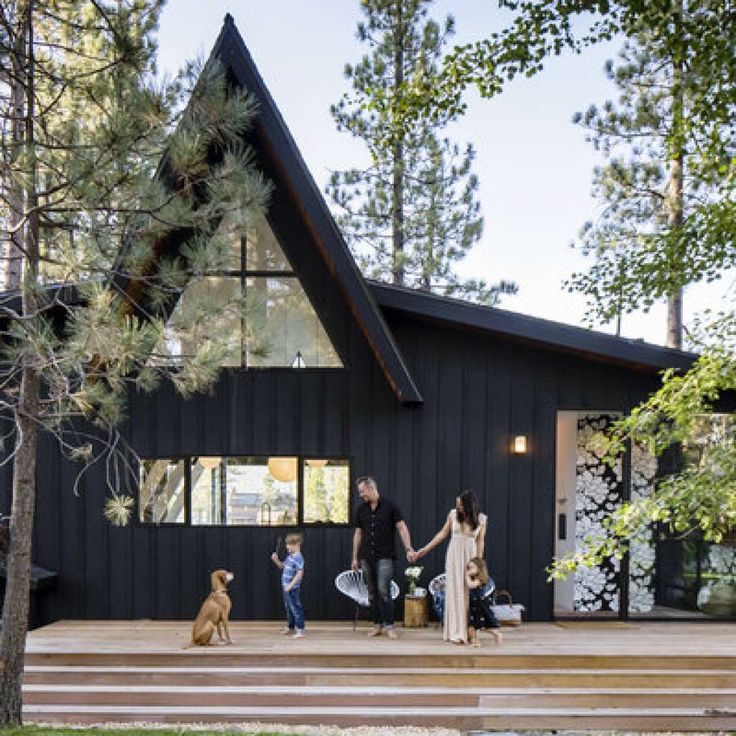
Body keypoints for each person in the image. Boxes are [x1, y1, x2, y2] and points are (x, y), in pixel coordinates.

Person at [412, 489, 487, 644]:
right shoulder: (453, 515)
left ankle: (468, 631)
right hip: (454, 556)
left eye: (460, 504)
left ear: (469, 505)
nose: (458, 507)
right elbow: (442, 534)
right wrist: (424, 549)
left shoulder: (482, 519)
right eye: (457, 504)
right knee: (454, 591)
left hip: (470, 557)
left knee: (468, 592)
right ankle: (455, 630)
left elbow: (480, 541)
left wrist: (479, 563)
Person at [352, 476, 415, 639]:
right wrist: (354, 558)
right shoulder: (361, 510)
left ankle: (390, 626)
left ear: (372, 488)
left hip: (385, 556)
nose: (361, 495)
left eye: (362, 491)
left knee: (383, 591)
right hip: (366, 557)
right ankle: (377, 625)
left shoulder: (390, 506)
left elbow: (402, 528)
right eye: (359, 492)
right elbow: (358, 534)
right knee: (372, 593)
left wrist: (408, 548)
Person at [270, 532, 305, 638]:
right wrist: (275, 560)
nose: (286, 546)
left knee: (295, 608)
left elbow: (300, 574)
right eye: (286, 544)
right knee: (289, 608)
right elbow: (282, 566)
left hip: (292, 588)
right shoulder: (290, 557)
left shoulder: (298, 558)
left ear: (297, 544)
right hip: (286, 588)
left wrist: (290, 585)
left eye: (289, 544)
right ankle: (291, 627)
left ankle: (300, 630)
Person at [466, 557, 502, 647]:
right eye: (469, 568)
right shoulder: (474, 577)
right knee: (474, 625)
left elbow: (471, 585)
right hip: (474, 604)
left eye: (472, 568)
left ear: (479, 568)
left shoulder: (480, 579)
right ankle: (477, 641)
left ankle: (481, 640)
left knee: (478, 625)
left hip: (480, 604)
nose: (470, 570)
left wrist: (466, 575)